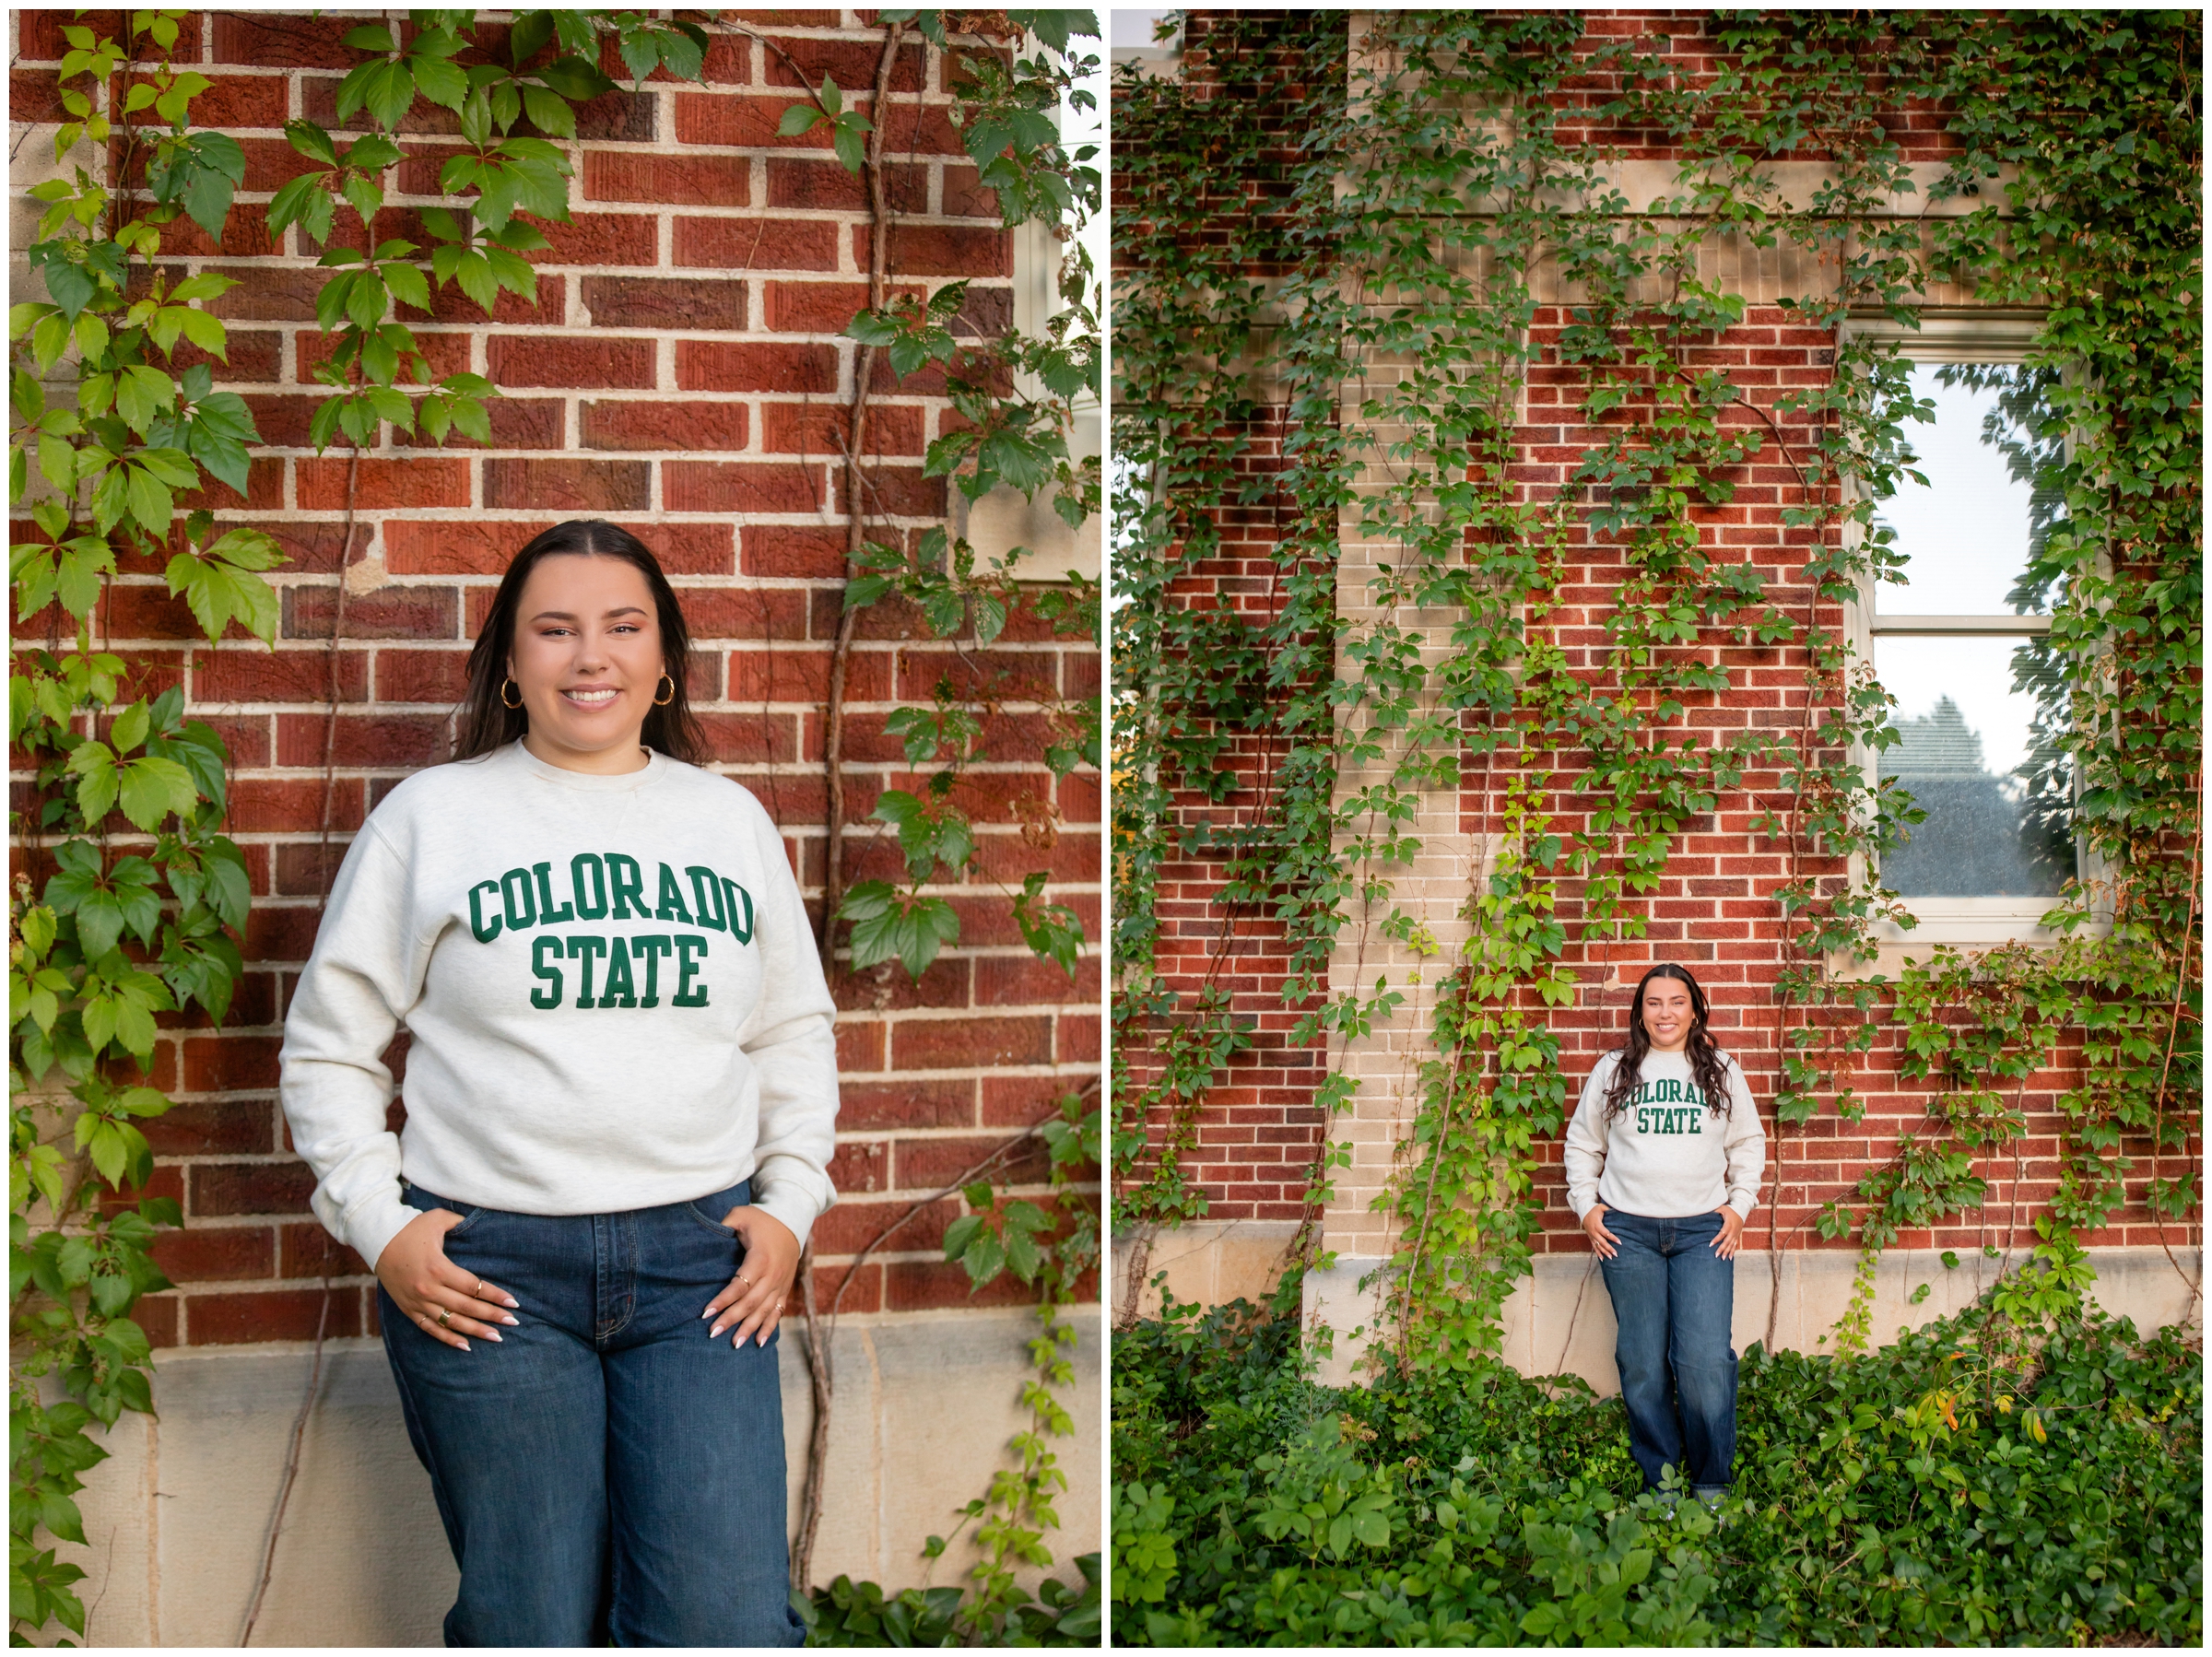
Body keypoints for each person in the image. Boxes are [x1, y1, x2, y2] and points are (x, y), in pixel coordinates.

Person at [278, 519, 835, 1646]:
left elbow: (790, 1033)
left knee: (724, 1623)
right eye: (556, 629)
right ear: (513, 663)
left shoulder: (728, 824)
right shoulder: (432, 819)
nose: (592, 656)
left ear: (664, 656)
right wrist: (379, 1225)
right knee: (531, 1618)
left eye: (623, 626)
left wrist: (789, 1211)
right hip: (488, 1274)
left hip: (702, 1273)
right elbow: (329, 1047)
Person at [1563, 962, 1764, 1511]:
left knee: (1702, 1360)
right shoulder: (1614, 1070)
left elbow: (1747, 1144)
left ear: (1694, 1009)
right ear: (1640, 1011)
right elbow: (1583, 1144)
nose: (1666, 1013)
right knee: (1643, 1361)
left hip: (1704, 1232)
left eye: (1677, 1002)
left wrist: (1739, 1207)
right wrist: (1587, 1209)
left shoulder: (1720, 1070)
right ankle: (1663, 1485)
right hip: (1628, 1233)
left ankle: (1712, 1484)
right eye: (1654, 1002)